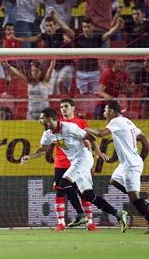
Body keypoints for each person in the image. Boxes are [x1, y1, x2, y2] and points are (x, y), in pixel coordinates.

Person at [21, 107, 129, 232]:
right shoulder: (48, 134)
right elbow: (43, 149)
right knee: (89, 195)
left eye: (41, 118)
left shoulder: (69, 127)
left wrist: (98, 152)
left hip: (84, 158)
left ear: (49, 119)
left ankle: (80, 214)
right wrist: (29, 156)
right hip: (75, 162)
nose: (39, 121)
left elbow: (89, 137)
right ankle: (119, 214)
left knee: (64, 183)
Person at [85, 101, 149, 234]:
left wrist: (84, 128)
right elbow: (143, 135)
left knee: (134, 198)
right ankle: (143, 201)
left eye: (105, 110)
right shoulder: (127, 121)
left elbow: (100, 133)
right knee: (114, 181)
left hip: (131, 165)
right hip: (126, 164)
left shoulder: (116, 121)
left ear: (111, 111)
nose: (104, 113)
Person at [53, 99, 100, 231]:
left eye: (66, 106)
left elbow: (88, 142)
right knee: (60, 191)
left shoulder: (80, 123)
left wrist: (90, 164)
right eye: (61, 107)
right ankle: (61, 223)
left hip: (79, 162)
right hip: (61, 163)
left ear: (73, 108)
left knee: (83, 192)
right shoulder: (57, 124)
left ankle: (90, 222)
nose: (63, 109)